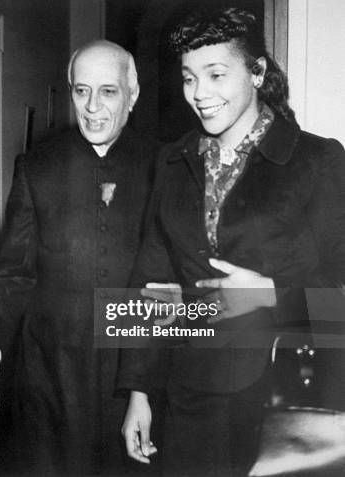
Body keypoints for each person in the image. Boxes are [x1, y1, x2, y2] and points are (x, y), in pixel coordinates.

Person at [118, 7, 345, 477]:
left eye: (216, 74)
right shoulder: (171, 161)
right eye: (188, 78)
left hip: (284, 401)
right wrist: (138, 392)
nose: (199, 95)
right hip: (188, 396)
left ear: (258, 71)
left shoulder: (318, 160)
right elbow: (151, 283)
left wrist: (268, 295)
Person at [0, 40, 160, 474]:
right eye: (81, 91)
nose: (92, 106)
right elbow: (14, 271)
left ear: (132, 94)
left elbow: (165, 284)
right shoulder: (37, 166)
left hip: (131, 374)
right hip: (49, 375)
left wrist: (143, 386)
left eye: (108, 91)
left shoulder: (166, 166)